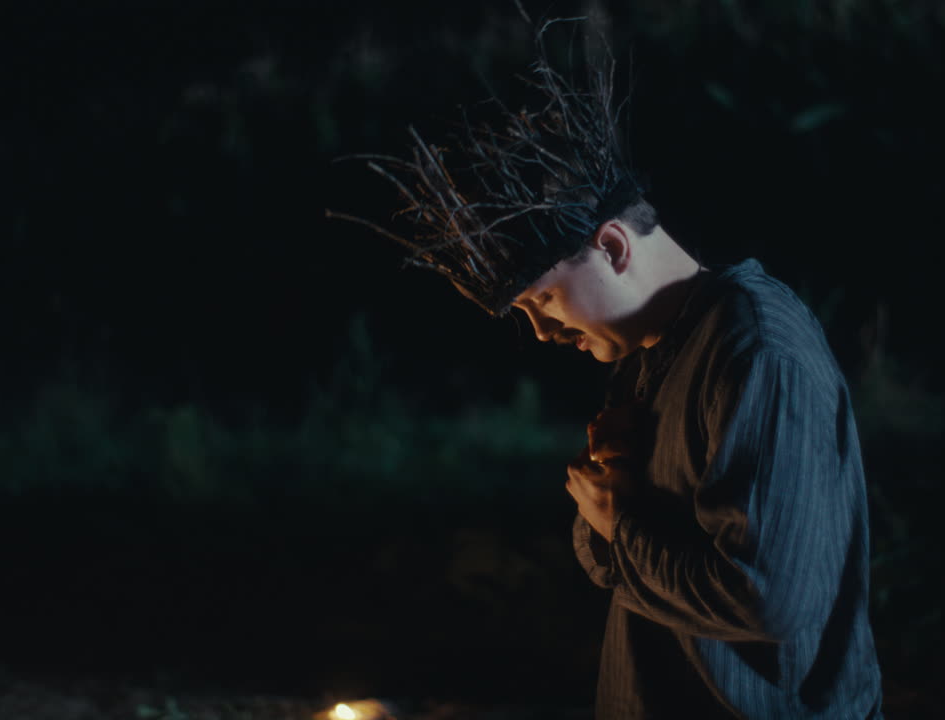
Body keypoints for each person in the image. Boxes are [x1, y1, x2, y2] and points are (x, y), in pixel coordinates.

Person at [330, 21, 884, 718]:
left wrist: (622, 525)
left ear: (614, 247)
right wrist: (611, 523)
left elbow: (767, 599)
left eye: (546, 300)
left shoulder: (757, 349)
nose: (541, 331)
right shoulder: (646, 355)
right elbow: (611, 565)